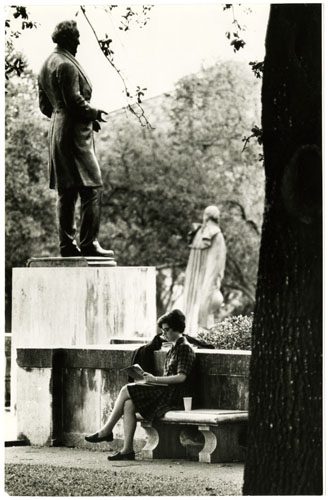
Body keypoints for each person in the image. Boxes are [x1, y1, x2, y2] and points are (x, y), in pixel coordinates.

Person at [38, 20, 112, 257]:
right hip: (74, 136)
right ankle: (89, 244)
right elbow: (74, 100)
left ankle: (67, 246)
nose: (79, 42)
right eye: (77, 37)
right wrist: (94, 113)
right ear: (68, 38)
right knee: (93, 187)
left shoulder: (45, 66)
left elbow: (45, 106)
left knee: (67, 190)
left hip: (59, 131)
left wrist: (68, 119)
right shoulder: (65, 65)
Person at [85, 309, 196, 461]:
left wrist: (154, 380)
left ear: (177, 328)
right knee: (129, 404)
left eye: (167, 330)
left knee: (127, 389)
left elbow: (181, 377)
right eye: (163, 330)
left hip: (175, 397)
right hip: (166, 392)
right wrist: (148, 380)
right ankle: (127, 450)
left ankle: (107, 430)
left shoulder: (184, 348)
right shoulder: (174, 348)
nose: (164, 334)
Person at [183, 205, 226, 333]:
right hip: (204, 283)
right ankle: (200, 328)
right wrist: (216, 282)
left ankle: (193, 327)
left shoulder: (199, 233)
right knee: (204, 311)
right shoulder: (216, 235)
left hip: (195, 284)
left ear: (205, 217)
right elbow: (216, 265)